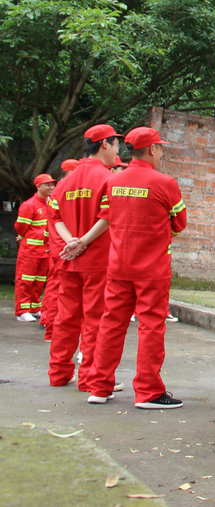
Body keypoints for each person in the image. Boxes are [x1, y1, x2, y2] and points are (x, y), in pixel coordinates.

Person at [87, 127, 187, 408]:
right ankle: (148, 392)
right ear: (153, 149)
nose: (162, 152)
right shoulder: (165, 183)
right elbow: (179, 222)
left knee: (111, 324)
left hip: (118, 265)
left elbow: (107, 215)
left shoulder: (113, 181)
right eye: (161, 148)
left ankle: (99, 387)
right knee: (151, 326)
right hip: (152, 269)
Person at [48, 126, 121, 389]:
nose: (117, 151)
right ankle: (89, 377)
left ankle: (58, 373)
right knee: (95, 320)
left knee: (65, 318)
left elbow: (54, 217)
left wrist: (71, 242)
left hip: (69, 260)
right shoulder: (108, 179)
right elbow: (106, 216)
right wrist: (83, 242)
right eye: (116, 145)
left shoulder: (66, 181)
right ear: (105, 145)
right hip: (97, 261)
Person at [39, 159, 81, 340]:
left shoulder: (62, 190)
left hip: (59, 245)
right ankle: (50, 325)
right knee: (57, 287)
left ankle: (50, 323)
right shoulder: (65, 189)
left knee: (56, 286)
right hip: (61, 246)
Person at [13, 174, 56, 321]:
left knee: (39, 281)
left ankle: (34, 307)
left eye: (52, 184)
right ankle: (22, 310)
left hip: (45, 251)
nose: (51, 187)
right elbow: (20, 227)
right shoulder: (29, 205)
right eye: (47, 185)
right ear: (38, 187)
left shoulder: (50, 204)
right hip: (30, 251)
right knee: (25, 280)